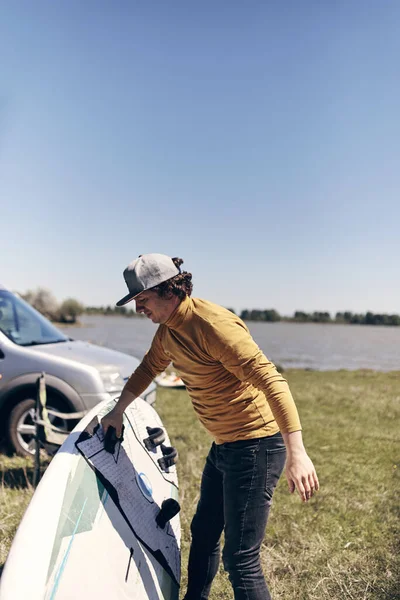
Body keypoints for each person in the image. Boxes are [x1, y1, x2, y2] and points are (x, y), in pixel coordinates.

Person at [101, 253, 319, 600]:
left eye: (142, 300)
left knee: (241, 559)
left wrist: (298, 453)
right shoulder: (168, 331)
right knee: (202, 535)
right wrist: (118, 410)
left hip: (256, 445)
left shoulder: (213, 325)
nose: (138, 309)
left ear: (168, 291)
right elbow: (147, 368)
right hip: (225, 446)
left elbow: (273, 382)